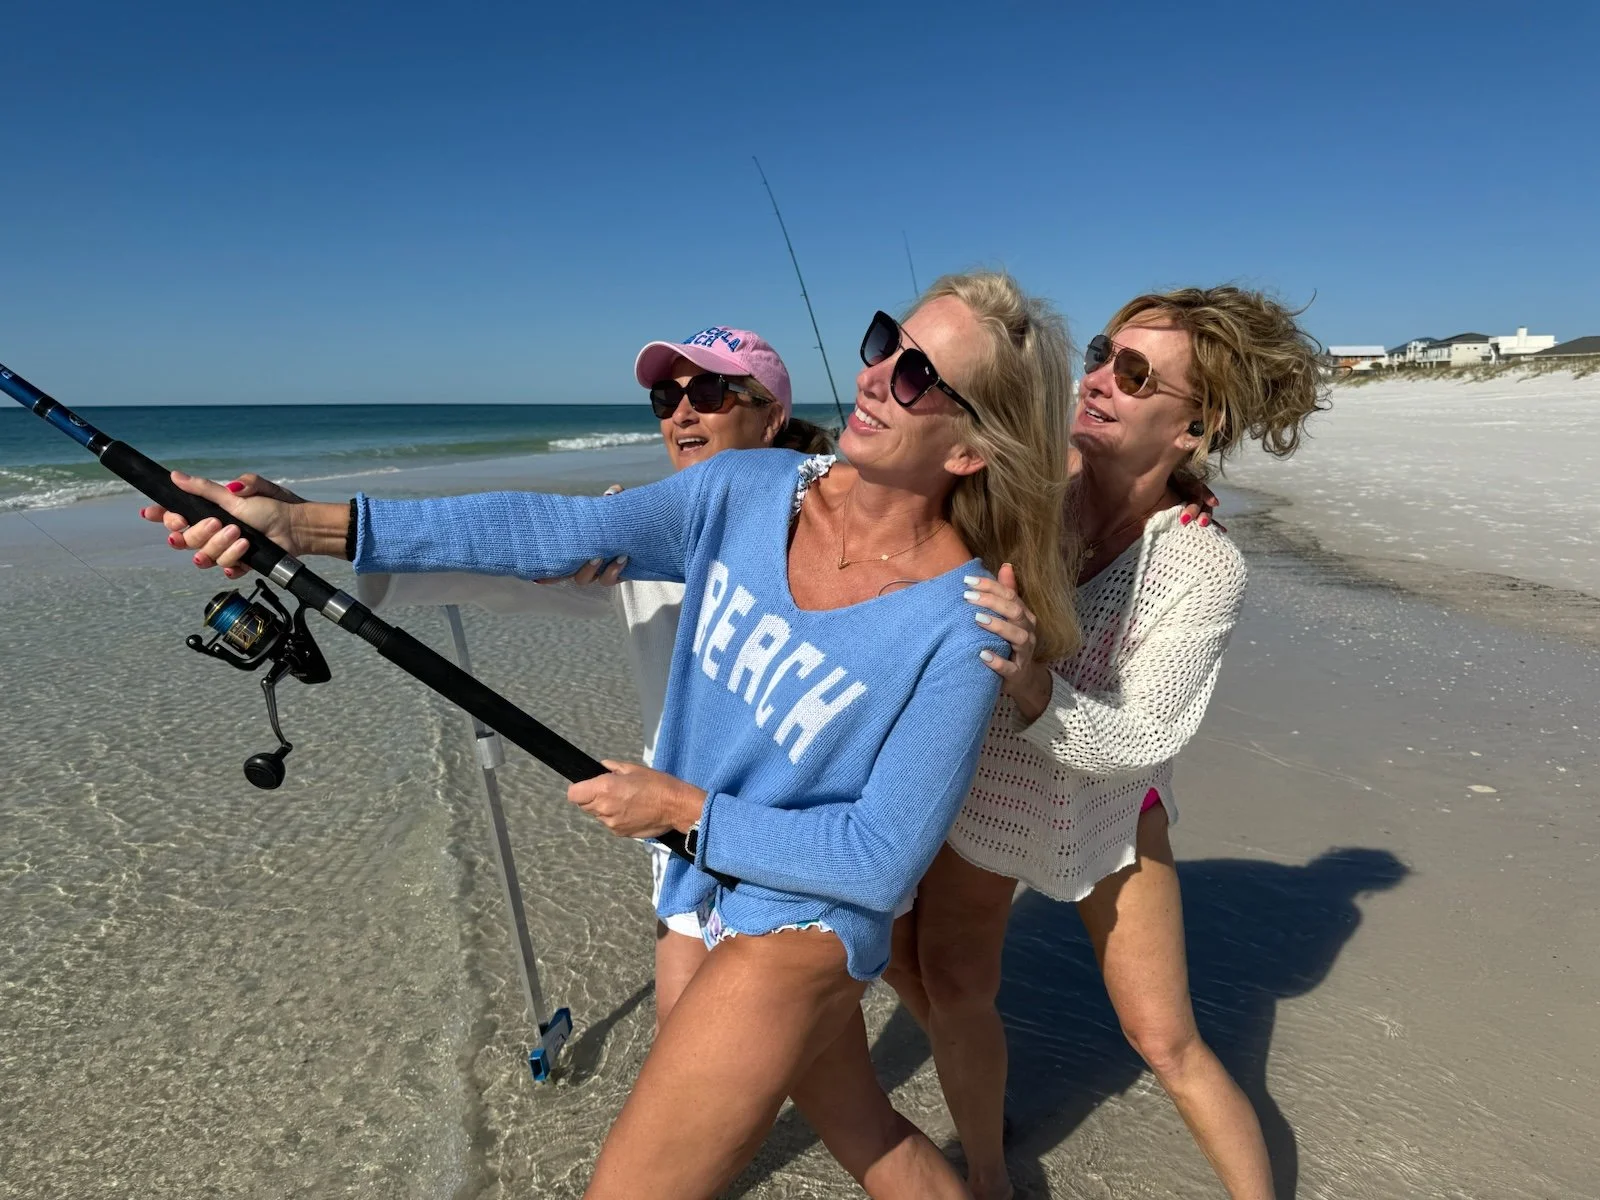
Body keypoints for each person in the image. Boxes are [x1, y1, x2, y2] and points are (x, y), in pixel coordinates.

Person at [146, 271, 1079, 1199]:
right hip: (697, 881)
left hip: (799, 920)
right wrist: (295, 524)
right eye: (887, 344)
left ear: (968, 450)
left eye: (920, 377)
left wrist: (681, 808)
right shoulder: (745, 489)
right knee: (863, 1127)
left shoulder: (966, 628)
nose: (877, 377)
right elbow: (555, 530)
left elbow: (880, 860)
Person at [220, 326, 830, 1036]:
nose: (680, 413)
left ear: (772, 414)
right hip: (679, 839)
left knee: (831, 1048)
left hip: (792, 846)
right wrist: (304, 524)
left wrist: (307, 526)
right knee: (701, 1047)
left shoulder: (832, 527)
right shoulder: (628, 524)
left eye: (709, 391)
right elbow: (505, 552)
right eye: (666, 397)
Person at [882, 286, 1328, 1200]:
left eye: (1133, 374)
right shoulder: (1031, 494)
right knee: (948, 982)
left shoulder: (1204, 565)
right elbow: (893, 504)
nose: (1095, 381)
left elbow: (1138, 737)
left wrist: (1035, 679)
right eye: (1099, 354)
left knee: (1164, 1040)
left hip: (1116, 806)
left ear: (1194, 429)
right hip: (994, 786)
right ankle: (993, 1172)